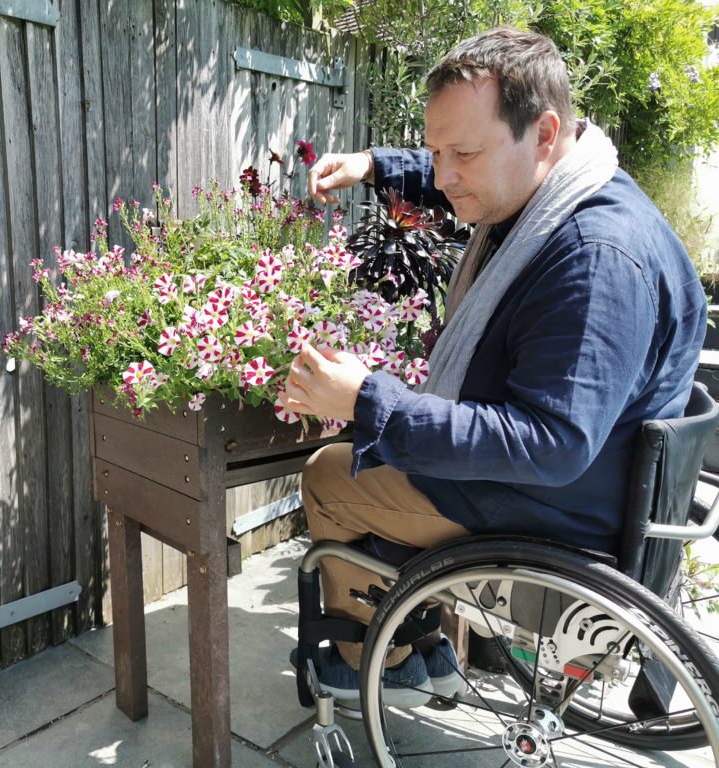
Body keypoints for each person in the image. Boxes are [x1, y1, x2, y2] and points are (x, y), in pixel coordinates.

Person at [280, 26, 707, 707]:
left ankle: (380, 661)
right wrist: (373, 165)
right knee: (382, 450)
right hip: (598, 485)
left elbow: (552, 445)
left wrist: (369, 401)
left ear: (543, 133)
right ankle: (422, 640)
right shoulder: (559, 190)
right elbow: (457, 179)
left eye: (464, 153)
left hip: (556, 510)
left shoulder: (595, 259)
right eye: (435, 150)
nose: (445, 175)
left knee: (331, 474)